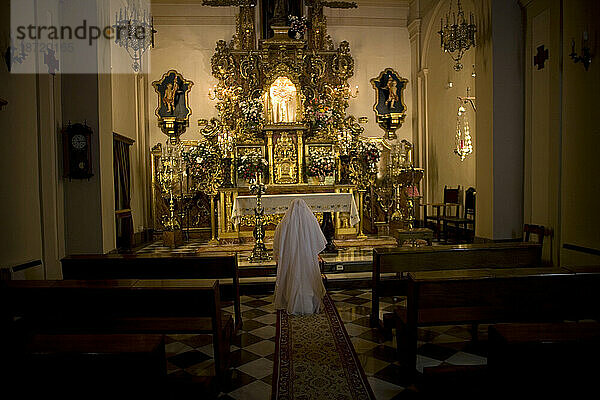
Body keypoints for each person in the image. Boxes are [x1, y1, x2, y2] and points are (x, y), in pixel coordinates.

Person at [273, 198, 326, 314]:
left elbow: (277, 242)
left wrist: (278, 254)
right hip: (307, 258)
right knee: (307, 278)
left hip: (290, 258)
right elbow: (319, 241)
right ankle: (309, 304)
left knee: (292, 276)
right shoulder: (311, 221)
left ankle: (291, 301)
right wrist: (313, 252)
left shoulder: (284, 223)